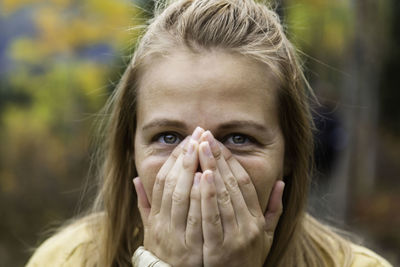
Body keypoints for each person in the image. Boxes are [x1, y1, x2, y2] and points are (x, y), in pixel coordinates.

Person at [26, 0, 392, 266]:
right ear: (129, 150)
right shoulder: (64, 259)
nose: (202, 168)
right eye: (169, 137)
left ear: (290, 154)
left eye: (238, 138)